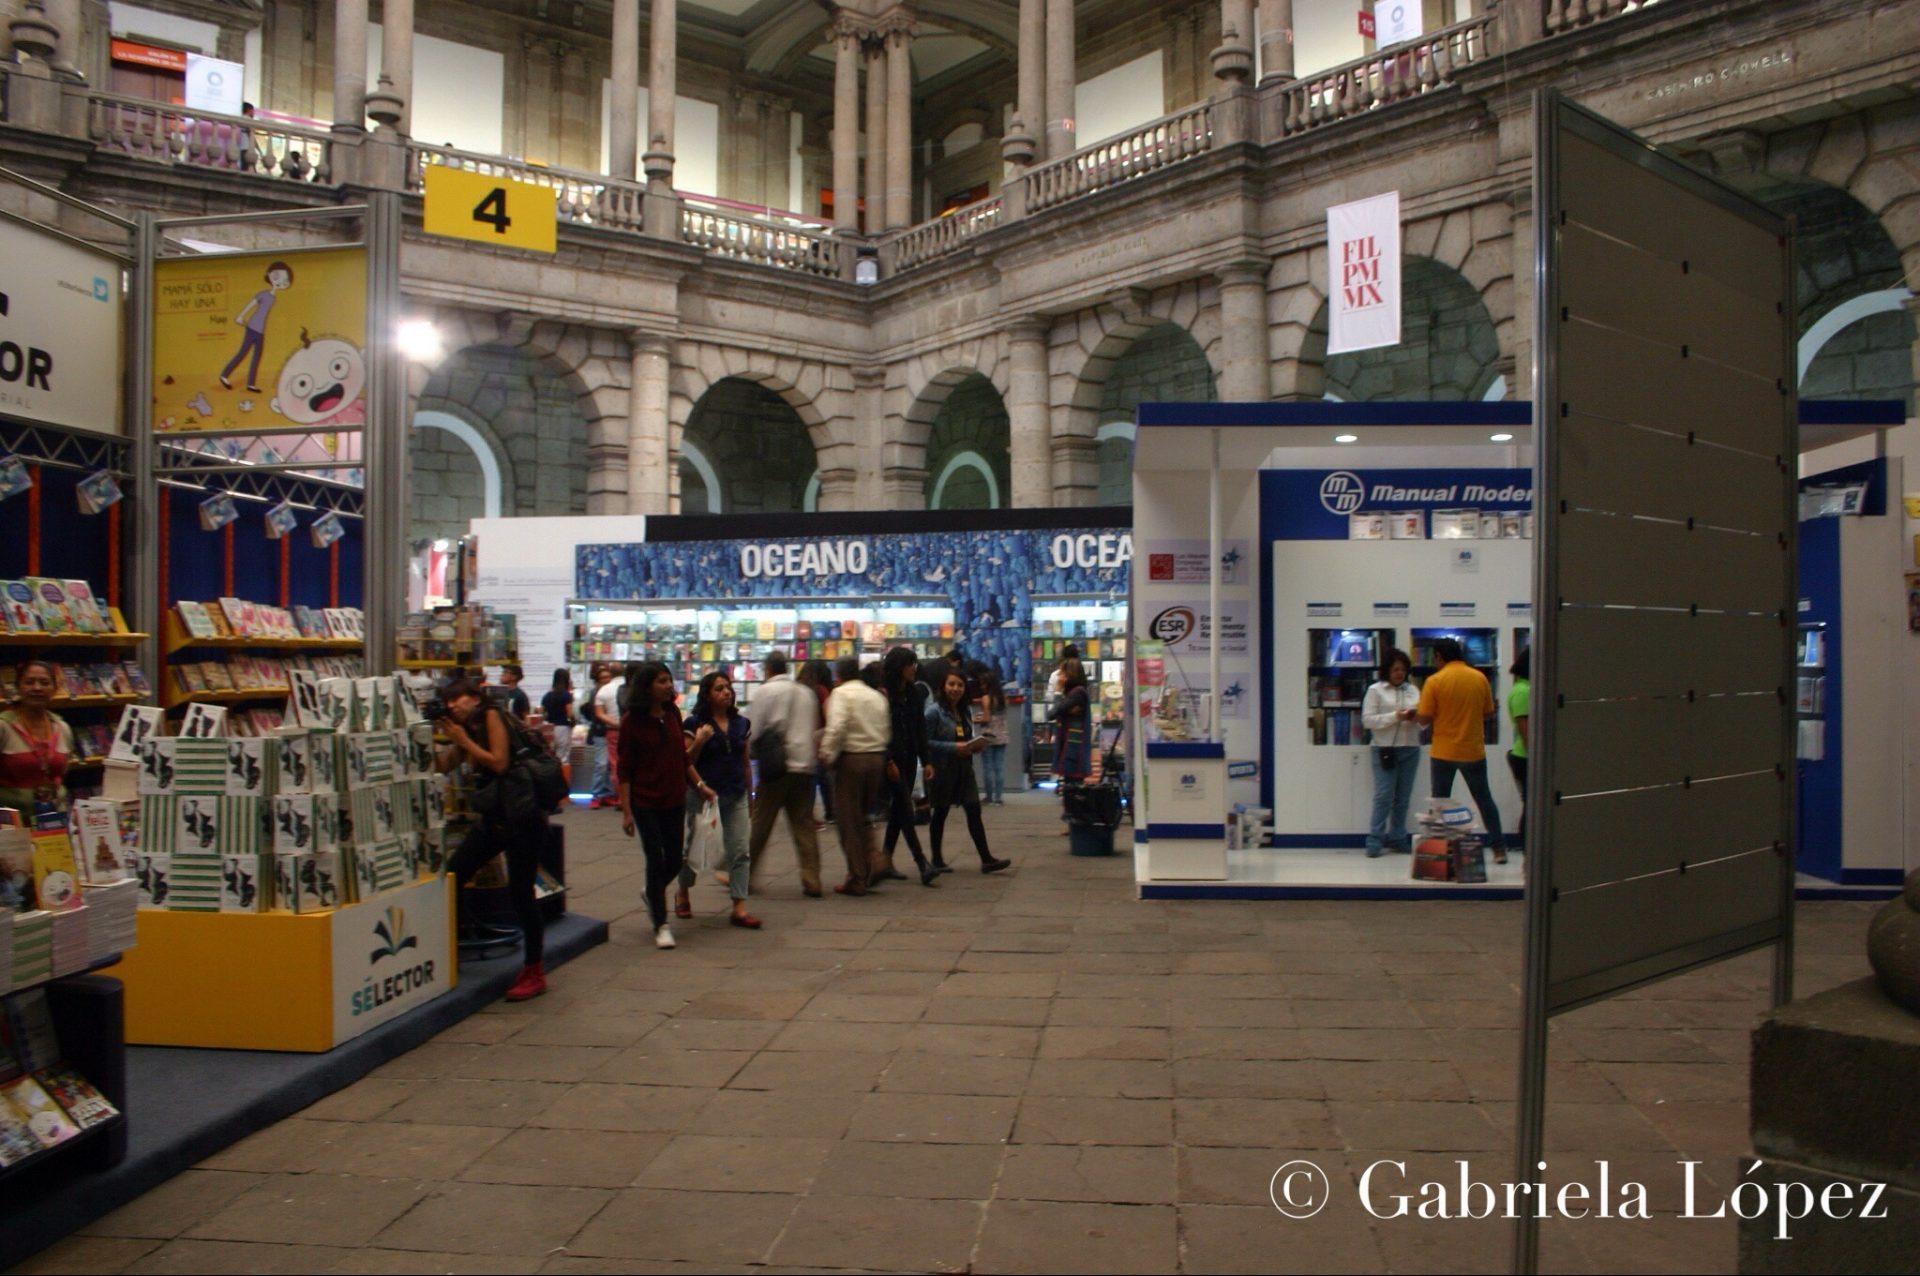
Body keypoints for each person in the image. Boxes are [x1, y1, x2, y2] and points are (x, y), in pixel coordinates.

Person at [437, 677, 548, 1001]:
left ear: (475, 696)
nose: (453, 706)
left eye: (457, 699)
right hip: (497, 818)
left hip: (522, 817)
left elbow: (498, 761)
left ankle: (534, 968)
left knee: (521, 894)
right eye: (448, 702)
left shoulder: (490, 716)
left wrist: (463, 740)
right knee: (455, 872)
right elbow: (446, 763)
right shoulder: (468, 727)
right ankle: (450, 947)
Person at [618, 662, 711, 949]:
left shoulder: (672, 714)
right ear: (647, 686)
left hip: (674, 798)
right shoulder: (632, 721)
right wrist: (626, 811)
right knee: (655, 858)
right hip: (645, 801)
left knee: (674, 858)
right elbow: (624, 769)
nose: (669, 685)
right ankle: (661, 923)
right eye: (661, 681)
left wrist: (699, 785)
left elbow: (681, 758)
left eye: (669, 680)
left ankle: (652, 891)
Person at [675, 671, 760, 929]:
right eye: (719, 688)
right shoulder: (694, 723)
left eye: (728, 688)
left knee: (740, 849)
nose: (726, 692)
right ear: (707, 695)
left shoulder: (741, 724)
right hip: (702, 796)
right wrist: (699, 741)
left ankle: (739, 906)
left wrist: (750, 792)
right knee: (693, 849)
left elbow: (745, 762)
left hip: (735, 794)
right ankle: (683, 890)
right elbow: (685, 760)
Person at [1417, 636, 1506, 864]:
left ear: (1439, 657)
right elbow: (1488, 712)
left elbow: (1424, 717)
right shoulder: (1479, 678)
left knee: (1440, 804)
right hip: (1472, 750)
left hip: (1443, 752)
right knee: (1484, 799)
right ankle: (1499, 849)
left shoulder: (1435, 681)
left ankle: (1439, 853)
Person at [749, 651, 823, 897]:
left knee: (760, 821)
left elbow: (754, 729)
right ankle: (812, 878)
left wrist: (750, 754)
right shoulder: (806, 693)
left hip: (777, 767)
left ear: (768, 669)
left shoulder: (765, 692)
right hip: (805, 765)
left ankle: (741, 872)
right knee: (803, 824)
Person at [925, 668, 1012, 875]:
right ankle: (936, 859)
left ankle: (986, 859)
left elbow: (965, 736)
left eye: (960, 685)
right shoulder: (933, 712)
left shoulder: (964, 711)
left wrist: (975, 745)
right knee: (941, 812)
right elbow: (925, 742)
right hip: (942, 769)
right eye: (951, 684)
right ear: (943, 687)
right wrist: (953, 748)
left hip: (964, 768)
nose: (956, 689)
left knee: (974, 810)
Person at [818, 655, 889, 896]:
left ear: (838, 675)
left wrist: (827, 753)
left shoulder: (841, 694)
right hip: (876, 758)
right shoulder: (876, 695)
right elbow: (886, 729)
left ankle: (857, 877)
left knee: (848, 820)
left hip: (852, 760)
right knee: (864, 816)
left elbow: (837, 726)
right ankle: (873, 861)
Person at [878, 647, 938, 887]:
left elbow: (920, 730)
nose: (914, 668)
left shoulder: (913, 693)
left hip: (909, 759)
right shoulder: (884, 695)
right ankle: (922, 862)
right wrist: (888, 760)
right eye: (909, 664)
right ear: (898, 668)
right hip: (891, 761)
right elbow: (881, 731)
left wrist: (927, 760)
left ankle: (884, 861)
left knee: (897, 812)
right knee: (904, 807)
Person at [1360, 648, 1422, 858]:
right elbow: (1368, 721)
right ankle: (1375, 839)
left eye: (1403, 670)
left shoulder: (1413, 691)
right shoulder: (1375, 690)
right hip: (1384, 749)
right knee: (1383, 796)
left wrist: (1417, 718)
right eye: (1395, 669)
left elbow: (1423, 724)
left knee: (1403, 798)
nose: (1399, 673)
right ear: (1387, 670)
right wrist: (1395, 716)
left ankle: (1398, 837)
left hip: (1410, 748)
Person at [0, 661, 77, 818]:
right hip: (11, 825)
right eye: (29, 682)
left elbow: (62, 773)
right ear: (18, 687)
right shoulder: (3, 727)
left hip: (54, 822)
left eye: (44, 683)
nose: (37, 688)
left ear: (55, 688)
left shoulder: (62, 728)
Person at [220, 259, 291, 392]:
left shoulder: (273, 298)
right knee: (243, 352)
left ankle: (251, 384)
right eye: (276, 277)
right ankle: (224, 375)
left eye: (284, 281)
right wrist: (240, 316)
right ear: (269, 275)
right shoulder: (263, 294)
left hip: (261, 330)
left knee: (257, 356)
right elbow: (251, 304)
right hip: (252, 327)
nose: (280, 282)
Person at [1049, 655, 1094, 799]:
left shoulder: (1077, 694)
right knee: (1071, 787)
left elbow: (1053, 712)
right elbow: (1059, 711)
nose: (1059, 677)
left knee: (1073, 789)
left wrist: (1057, 692)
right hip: (1072, 748)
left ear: (1070, 675)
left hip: (1074, 751)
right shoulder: (1073, 694)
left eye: (1062, 673)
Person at [797, 659, 836, 825]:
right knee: (824, 779)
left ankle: (807, 815)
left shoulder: (798, 690)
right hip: (818, 740)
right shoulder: (820, 691)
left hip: (800, 740)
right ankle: (831, 812)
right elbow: (829, 716)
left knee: (808, 782)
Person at [971, 663, 1010, 806]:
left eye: (982, 684)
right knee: (999, 767)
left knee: (988, 767)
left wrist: (976, 719)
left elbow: (987, 718)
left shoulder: (986, 698)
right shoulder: (1003, 697)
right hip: (1002, 735)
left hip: (988, 736)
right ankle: (999, 798)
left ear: (987, 684)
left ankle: (989, 797)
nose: (981, 687)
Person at [587, 663, 623, 808]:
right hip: (600, 731)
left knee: (610, 765)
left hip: (607, 730)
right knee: (602, 764)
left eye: (607, 676)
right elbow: (596, 713)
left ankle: (607, 793)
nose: (605, 679)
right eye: (602, 677)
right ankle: (596, 794)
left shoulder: (606, 691)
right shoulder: (597, 692)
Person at [1508, 646, 1531, 857]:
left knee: (1531, 803)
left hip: (1523, 754)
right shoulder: (1524, 691)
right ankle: (1527, 847)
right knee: (1532, 804)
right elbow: (1525, 729)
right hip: (1525, 756)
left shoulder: (1522, 688)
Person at [540, 669, 577, 789]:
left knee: (551, 755)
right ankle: (562, 786)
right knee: (563, 756)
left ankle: (549, 785)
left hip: (549, 728)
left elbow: (542, 712)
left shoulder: (547, 695)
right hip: (562, 727)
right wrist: (574, 722)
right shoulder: (566, 695)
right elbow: (570, 713)